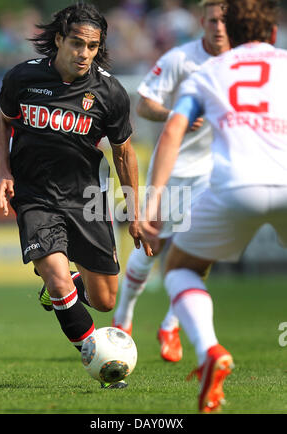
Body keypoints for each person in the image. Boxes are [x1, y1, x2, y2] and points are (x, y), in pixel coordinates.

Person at [0, 2, 151, 389]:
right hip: (36, 197)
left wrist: (134, 212)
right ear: (60, 40)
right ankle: (102, 361)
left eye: (92, 47)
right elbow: (4, 120)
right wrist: (4, 171)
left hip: (87, 200)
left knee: (105, 299)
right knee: (58, 279)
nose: (84, 53)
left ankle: (60, 290)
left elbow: (124, 151)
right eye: (77, 44)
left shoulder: (109, 92)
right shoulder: (23, 78)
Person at [141, 0, 284, 413]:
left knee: (180, 268)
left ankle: (208, 352)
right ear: (272, 34)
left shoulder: (209, 71)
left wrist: (152, 201)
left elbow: (172, 131)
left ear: (229, 35)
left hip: (234, 187)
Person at [112, 0, 230, 363]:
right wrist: (174, 114)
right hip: (173, 169)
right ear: (202, 21)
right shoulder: (181, 58)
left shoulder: (240, 62)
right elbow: (145, 103)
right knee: (152, 248)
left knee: (201, 251)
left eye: (225, 21)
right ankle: (124, 317)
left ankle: (170, 324)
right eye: (212, 20)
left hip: (215, 172)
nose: (219, 28)